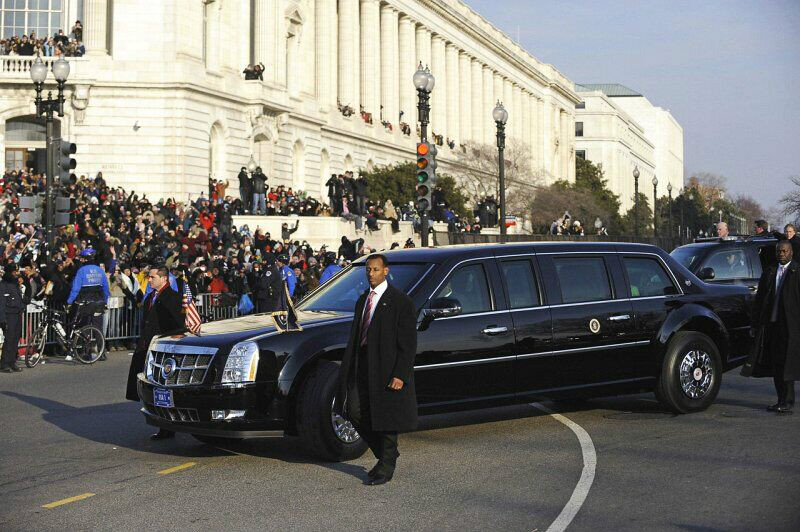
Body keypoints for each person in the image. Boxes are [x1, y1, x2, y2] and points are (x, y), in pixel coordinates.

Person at [333, 254, 418, 485]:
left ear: (386, 271)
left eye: (376, 270)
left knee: (387, 417)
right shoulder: (363, 300)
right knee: (353, 410)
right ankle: (386, 453)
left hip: (386, 368)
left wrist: (400, 374)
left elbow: (408, 343)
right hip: (362, 364)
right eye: (368, 270)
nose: (371, 274)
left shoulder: (400, 302)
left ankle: (386, 467)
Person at [126, 266, 186, 439]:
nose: (149, 280)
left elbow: (177, 324)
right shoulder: (150, 297)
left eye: (152, 277)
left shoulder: (173, 298)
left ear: (164, 278)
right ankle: (162, 424)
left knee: (164, 389)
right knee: (151, 387)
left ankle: (168, 426)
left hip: (165, 349)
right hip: (149, 346)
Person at [742, 241, 800, 413]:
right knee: (776, 364)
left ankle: (787, 401)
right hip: (771, 326)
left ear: (791, 253)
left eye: (784, 251)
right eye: (779, 251)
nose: (781, 254)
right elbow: (760, 301)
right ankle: (780, 399)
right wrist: (755, 323)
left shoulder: (797, 272)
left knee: (787, 365)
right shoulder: (769, 272)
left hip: (790, 327)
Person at [67, 248, 110, 360]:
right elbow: (106, 288)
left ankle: (84, 353)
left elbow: (75, 289)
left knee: (84, 327)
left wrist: (69, 302)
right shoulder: (100, 270)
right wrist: (104, 301)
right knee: (98, 328)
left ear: (85, 259)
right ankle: (102, 353)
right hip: (98, 302)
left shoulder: (81, 271)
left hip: (85, 303)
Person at [0, 264, 29, 373]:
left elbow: (22, 298)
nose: (16, 273)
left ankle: (12, 361)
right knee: (9, 339)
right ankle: (4, 364)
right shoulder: (3, 285)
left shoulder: (15, 284)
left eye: (16, 271)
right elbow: (1, 303)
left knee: (15, 339)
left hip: (17, 314)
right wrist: (2, 319)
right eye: (14, 272)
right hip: (8, 315)